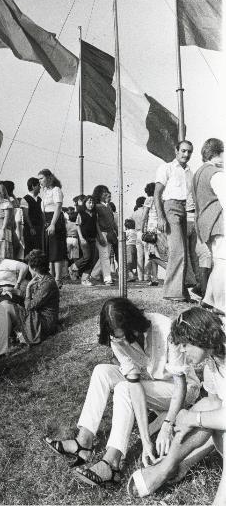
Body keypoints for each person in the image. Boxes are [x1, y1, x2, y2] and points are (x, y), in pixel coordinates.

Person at [44, 297, 200, 488]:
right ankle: (83, 442)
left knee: (123, 388)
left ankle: (112, 462)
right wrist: (145, 440)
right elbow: (135, 384)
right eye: (117, 337)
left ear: (135, 322)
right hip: (155, 381)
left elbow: (180, 384)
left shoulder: (166, 329)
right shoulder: (116, 337)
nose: (122, 341)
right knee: (102, 371)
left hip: (182, 390)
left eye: (126, 335)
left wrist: (167, 424)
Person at [128, 307, 225, 504]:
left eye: (184, 344)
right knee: (203, 409)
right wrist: (187, 421)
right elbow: (213, 403)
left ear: (200, 337)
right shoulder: (212, 360)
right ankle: (168, 467)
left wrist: (191, 418)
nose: (181, 350)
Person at [154, 140, 195, 302]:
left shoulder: (190, 172)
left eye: (189, 152)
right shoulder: (166, 168)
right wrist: (160, 216)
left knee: (183, 251)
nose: (186, 155)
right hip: (170, 207)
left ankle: (181, 292)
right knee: (177, 250)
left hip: (185, 210)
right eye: (183, 151)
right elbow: (157, 194)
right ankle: (172, 293)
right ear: (176, 150)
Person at [193, 138, 225, 314]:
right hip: (219, 222)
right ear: (219, 153)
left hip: (204, 223)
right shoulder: (216, 173)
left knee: (218, 261)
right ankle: (221, 304)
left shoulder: (198, 173)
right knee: (223, 263)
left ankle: (208, 299)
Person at [17, 250, 59, 345]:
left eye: (29, 267)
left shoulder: (47, 283)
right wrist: (16, 291)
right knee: (12, 301)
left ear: (34, 268)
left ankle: (21, 335)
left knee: (15, 308)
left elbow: (29, 306)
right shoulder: (42, 278)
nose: (29, 269)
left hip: (46, 322)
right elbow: (33, 297)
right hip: (39, 315)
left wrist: (28, 288)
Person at [38, 168, 67, 288]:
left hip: (55, 220)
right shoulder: (44, 192)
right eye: (39, 179)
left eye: (42, 178)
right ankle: (50, 277)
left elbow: (58, 208)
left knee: (56, 251)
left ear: (49, 178)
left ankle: (58, 279)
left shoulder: (56, 190)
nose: (40, 181)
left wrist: (53, 224)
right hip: (46, 221)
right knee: (48, 251)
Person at [68, 195, 100, 286]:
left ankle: (85, 279)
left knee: (92, 259)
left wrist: (100, 236)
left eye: (93, 202)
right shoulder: (81, 213)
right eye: (89, 202)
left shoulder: (94, 214)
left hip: (93, 238)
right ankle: (73, 267)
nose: (91, 204)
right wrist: (81, 238)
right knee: (87, 257)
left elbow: (96, 225)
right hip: (84, 239)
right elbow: (78, 226)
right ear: (85, 203)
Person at [90, 185, 117, 286]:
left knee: (104, 256)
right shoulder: (96, 206)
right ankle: (107, 278)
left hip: (109, 233)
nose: (106, 193)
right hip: (102, 233)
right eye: (103, 192)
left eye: (106, 191)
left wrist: (116, 230)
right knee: (105, 256)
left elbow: (112, 221)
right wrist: (100, 235)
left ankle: (93, 275)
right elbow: (95, 222)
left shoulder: (108, 206)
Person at [0, 182, 15, 259]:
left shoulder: (6, 203)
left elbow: (7, 217)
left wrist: (3, 229)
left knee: (4, 246)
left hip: (2, 228)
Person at [20, 177, 43, 256]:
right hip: (30, 229)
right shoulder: (25, 199)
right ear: (33, 186)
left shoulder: (40, 199)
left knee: (39, 249)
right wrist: (31, 227)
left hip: (39, 228)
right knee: (30, 250)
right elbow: (26, 215)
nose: (40, 187)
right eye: (38, 185)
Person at [131, 196, 146, 281]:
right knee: (147, 256)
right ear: (143, 203)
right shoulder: (146, 212)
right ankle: (147, 275)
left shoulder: (134, 213)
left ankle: (140, 277)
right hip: (145, 233)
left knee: (139, 257)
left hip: (137, 234)